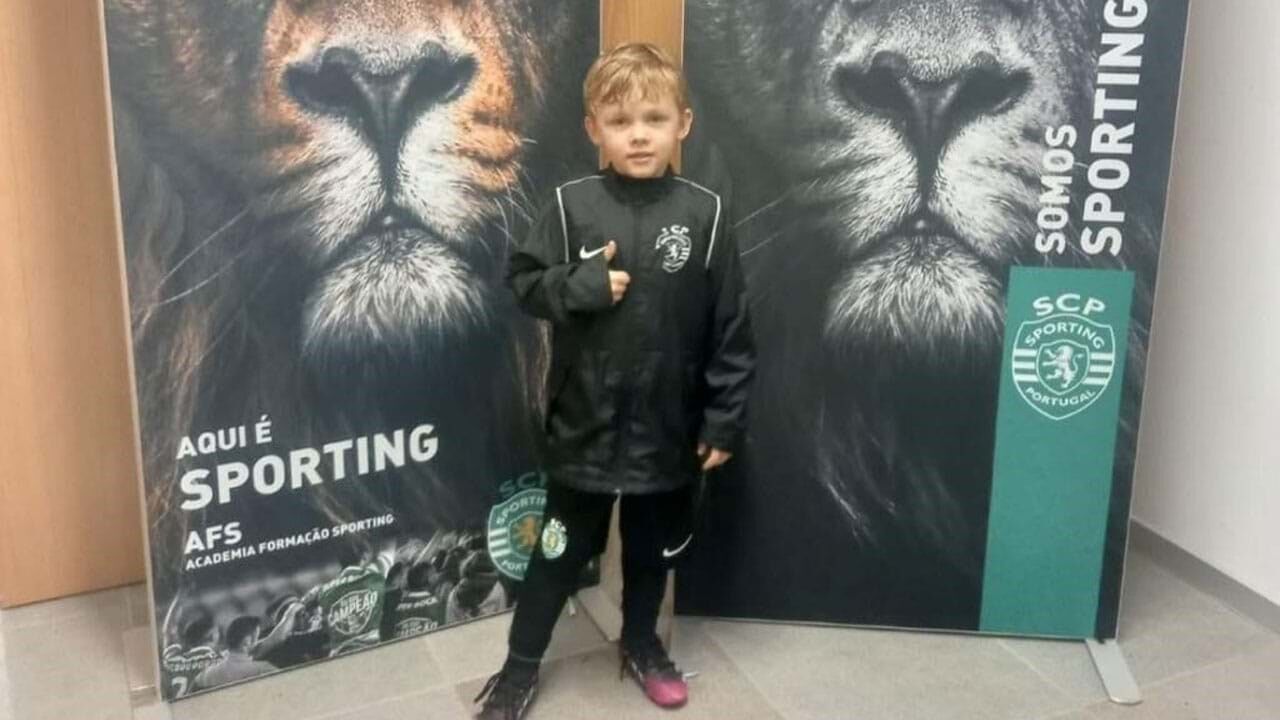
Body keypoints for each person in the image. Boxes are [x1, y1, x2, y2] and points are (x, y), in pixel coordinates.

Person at [473, 42, 754, 719]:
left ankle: (641, 645)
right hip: (585, 427)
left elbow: (732, 328)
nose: (639, 135)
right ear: (593, 128)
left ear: (683, 124)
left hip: (669, 430)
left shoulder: (706, 214)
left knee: (652, 553)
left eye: (654, 119)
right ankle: (518, 668)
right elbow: (523, 284)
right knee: (556, 555)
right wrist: (582, 284)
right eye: (620, 121)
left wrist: (722, 421)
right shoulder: (569, 206)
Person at [192, 616, 279, 690]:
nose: (257, 642)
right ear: (247, 642)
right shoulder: (263, 669)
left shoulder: (205, 676)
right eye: (257, 637)